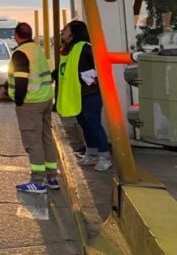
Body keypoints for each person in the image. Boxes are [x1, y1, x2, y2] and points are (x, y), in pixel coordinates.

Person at [8, 22, 58, 193]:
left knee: (33, 141)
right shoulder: (36, 50)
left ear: (16, 35)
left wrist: (18, 101)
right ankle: (52, 177)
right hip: (45, 100)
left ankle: (37, 181)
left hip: (31, 102)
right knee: (46, 138)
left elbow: (21, 80)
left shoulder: (20, 53)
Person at [57, 20, 112, 171]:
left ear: (73, 32)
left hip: (90, 94)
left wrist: (94, 79)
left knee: (93, 124)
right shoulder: (68, 51)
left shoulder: (86, 48)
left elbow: (101, 65)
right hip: (78, 94)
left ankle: (105, 156)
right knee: (85, 124)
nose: (62, 31)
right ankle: (92, 154)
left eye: (65, 29)